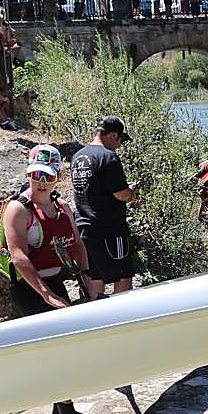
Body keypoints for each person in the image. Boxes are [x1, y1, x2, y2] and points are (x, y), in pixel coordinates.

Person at [0, 148, 101, 414]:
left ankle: (61, 409)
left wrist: (86, 277)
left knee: (64, 346)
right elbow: (19, 255)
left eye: (48, 176)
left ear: (57, 177)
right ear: (28, 173)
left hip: (56, 281)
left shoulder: (62, 206)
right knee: (56, 351)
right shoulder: (18, 210)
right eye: (36, 175)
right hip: (28, 289)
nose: (41, 182)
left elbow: (77, 244)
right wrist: (45, 294)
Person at [72, 116, 140, 297]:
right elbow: (121, 195)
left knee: (94, 278)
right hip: (110, 231)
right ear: (114, 135)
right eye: (121, 140)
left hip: (84, 229)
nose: (119, 145)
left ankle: (95, 311)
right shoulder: (108, 157)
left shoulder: (78, 157)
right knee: (123, 276)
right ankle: (123, 312)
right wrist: (132, 192)